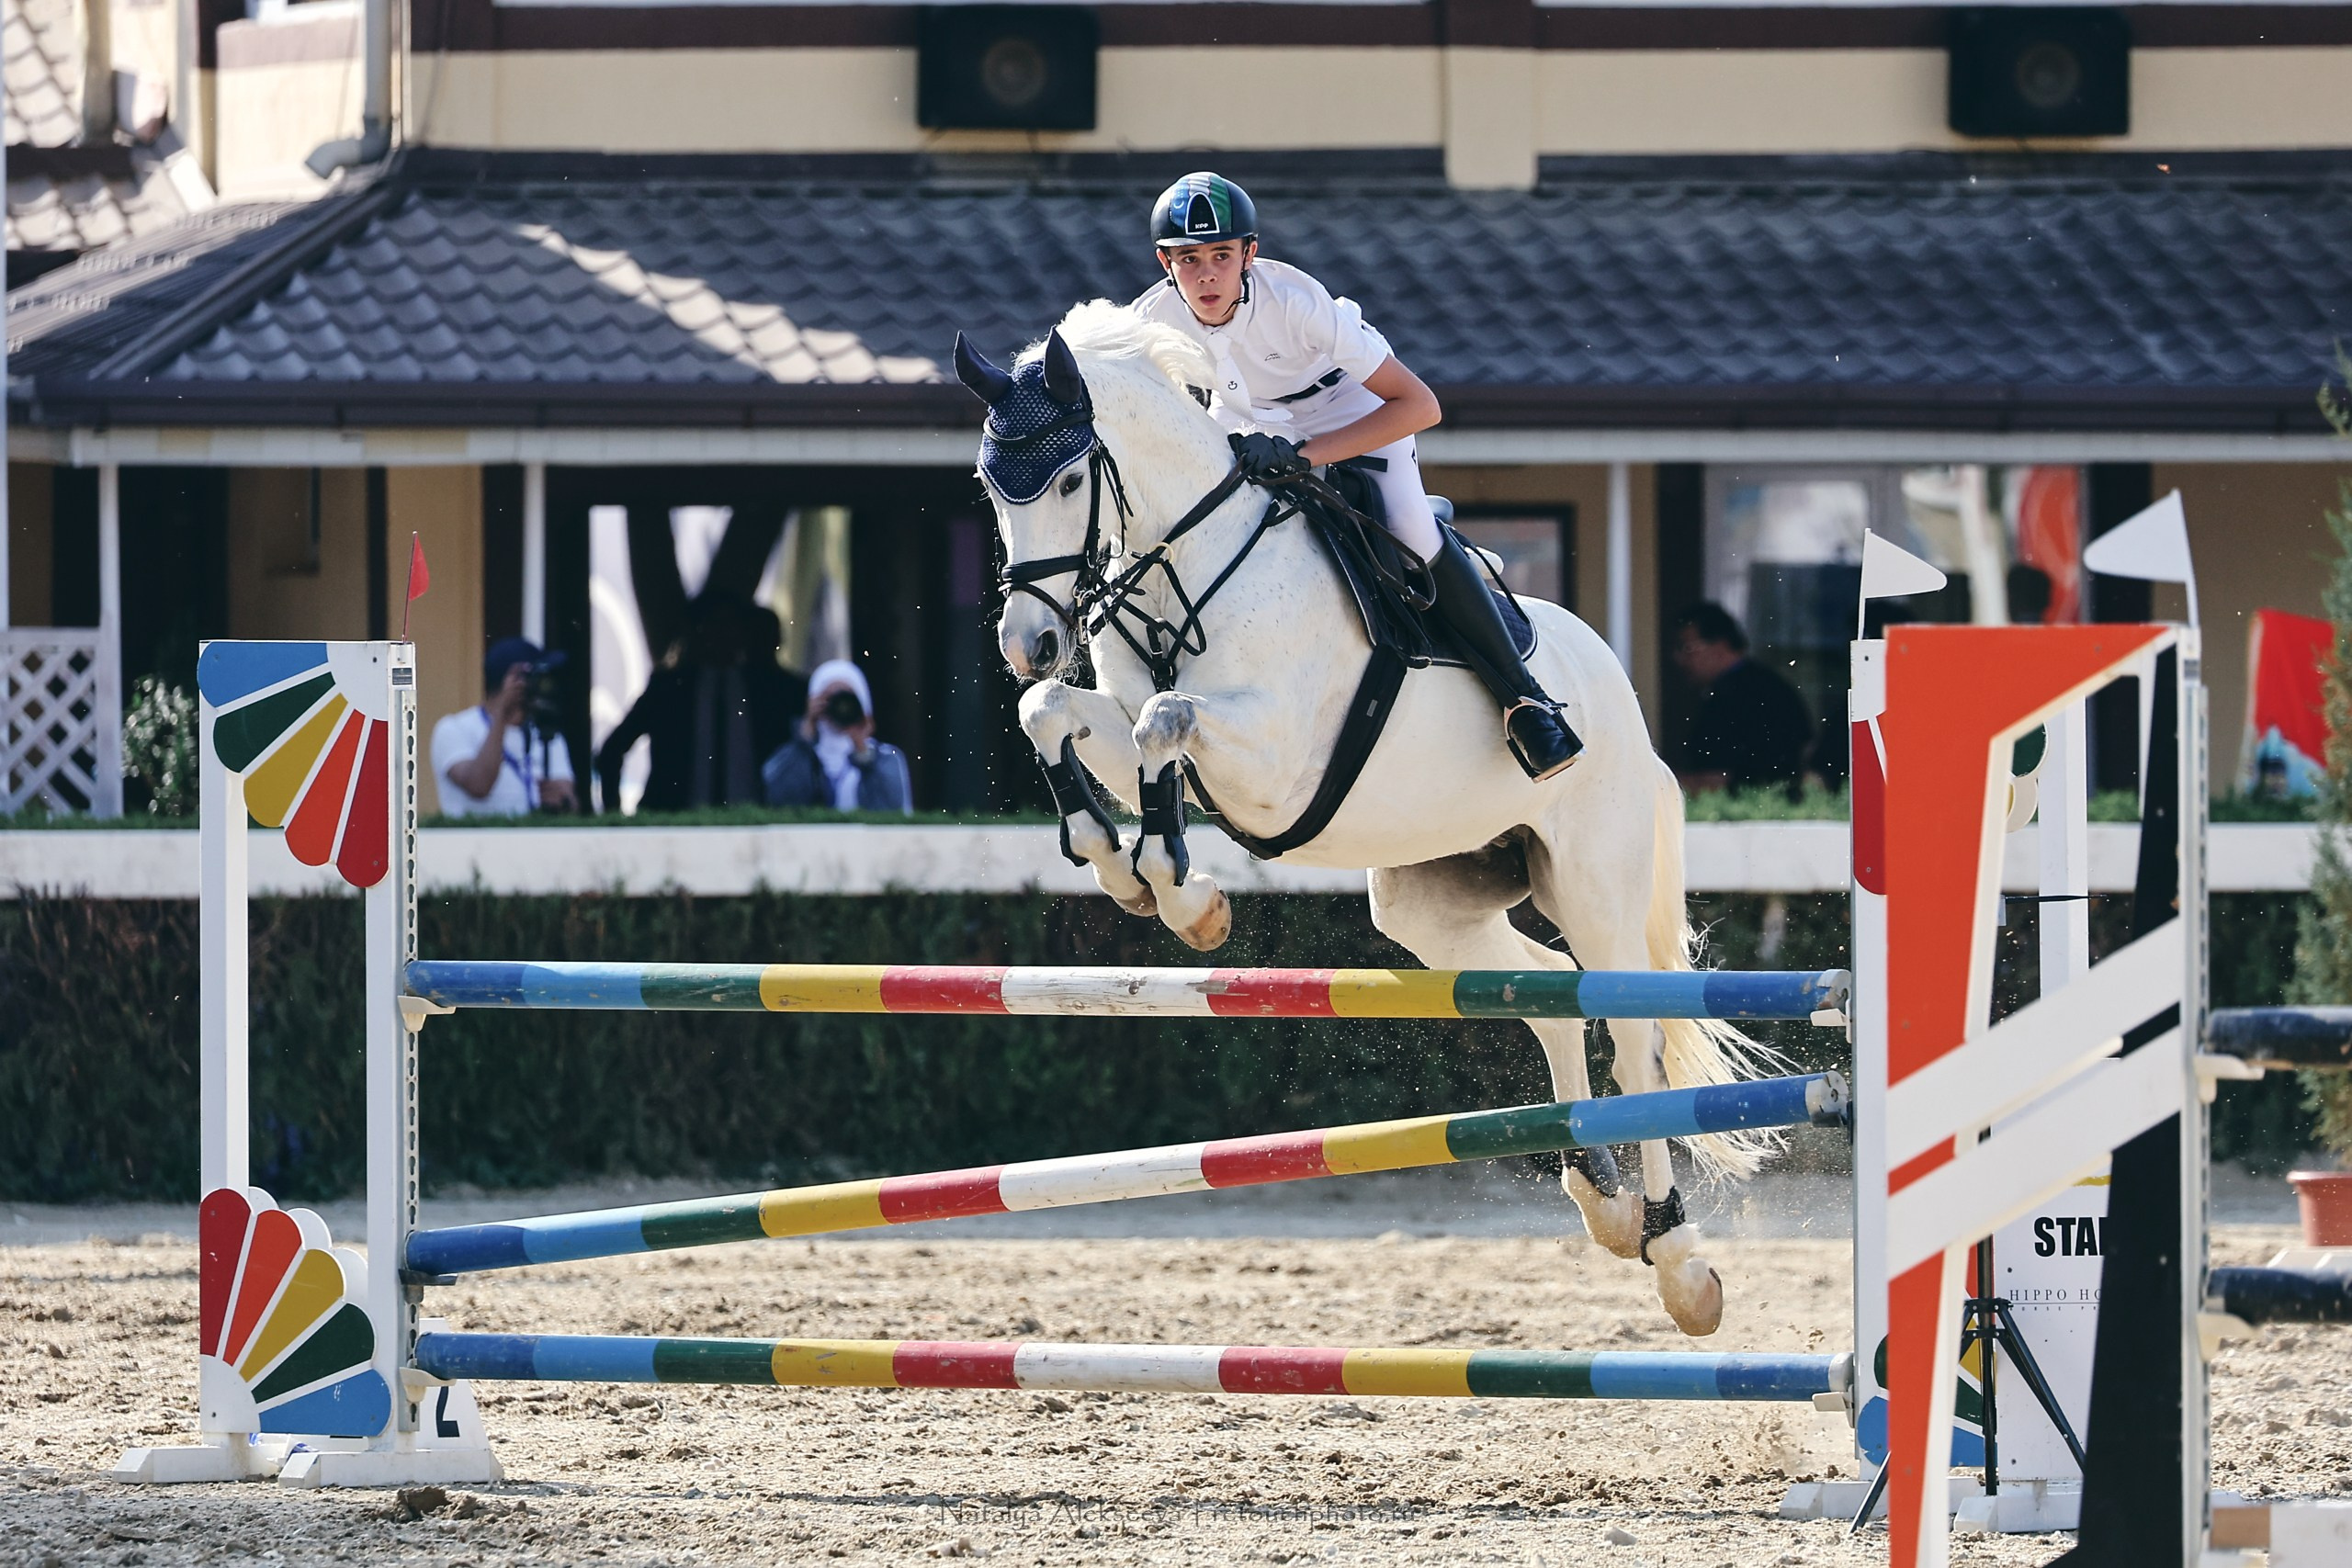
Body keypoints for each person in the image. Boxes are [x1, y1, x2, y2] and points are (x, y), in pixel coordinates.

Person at [1129, 171, 1582, 781]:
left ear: (1250, 254)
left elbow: (1421, 406)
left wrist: (1307, 456)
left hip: (1356, 412)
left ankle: (1526, 702)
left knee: (1413, 535)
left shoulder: (1297, 302)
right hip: (1247, 426)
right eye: (1188, 259)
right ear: (1165, 262)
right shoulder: (1148, 320)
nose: (1206, 275)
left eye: (1221, 255)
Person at [595, 593, 799, 814]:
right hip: (676, 825)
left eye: (729, 625)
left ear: (743, 632)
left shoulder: (770, 689)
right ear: (695, 631)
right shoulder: (669, 689)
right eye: (713, 625)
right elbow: (610, 752)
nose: (721, 635)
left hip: (756, 824)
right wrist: (613, 816)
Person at [1669, 603, 1815, 795]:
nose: (1678, 659)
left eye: (1686, 648)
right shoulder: (1763, 684)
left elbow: (1727, 775)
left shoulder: (1740, 694)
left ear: (1720, 646)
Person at [432, 637, 575, 818]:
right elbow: (478, 786)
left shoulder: (546, 734)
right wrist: (501, 714)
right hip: (475, 844)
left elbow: (570, 801)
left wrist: (563, 801)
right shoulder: (453, 728)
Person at [762, 659, 913, 813]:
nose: (840, 706)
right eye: (829, 698)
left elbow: (892, 810)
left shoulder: (886, 757)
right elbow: (779, 800)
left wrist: (863, 752)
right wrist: (805, 737)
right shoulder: (795, 755)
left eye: (846, 698)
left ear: (862, 700)